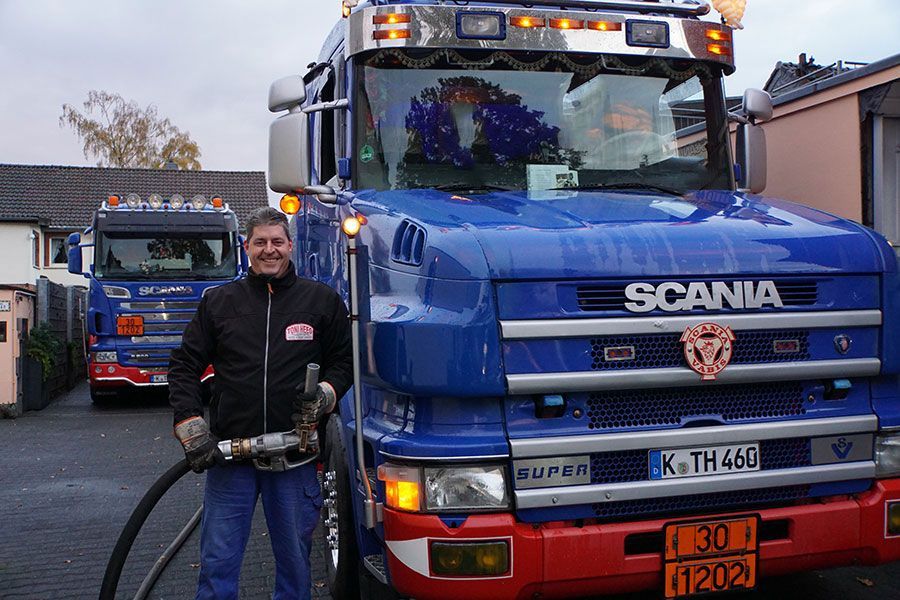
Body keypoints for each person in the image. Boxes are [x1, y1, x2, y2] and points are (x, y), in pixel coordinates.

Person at [168, 206, 353, 600]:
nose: (269, 250)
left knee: (294, 565)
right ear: (246, 247)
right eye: (260, 243)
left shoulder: (320, 301)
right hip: (230, 459)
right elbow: (184, 364)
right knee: (218, 562)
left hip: (295, 457)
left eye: (277, 242)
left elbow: (344, 361)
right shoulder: (220, 303)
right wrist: (189, 421)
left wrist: (326, 393)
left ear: (290, 246)